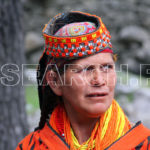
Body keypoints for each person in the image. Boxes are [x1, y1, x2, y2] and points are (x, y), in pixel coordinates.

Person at [16, 11, 150, 150]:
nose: (99, 80)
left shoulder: (144, 144)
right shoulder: (31, 147)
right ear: (55, 81)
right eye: (85, 69)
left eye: (107, 67)